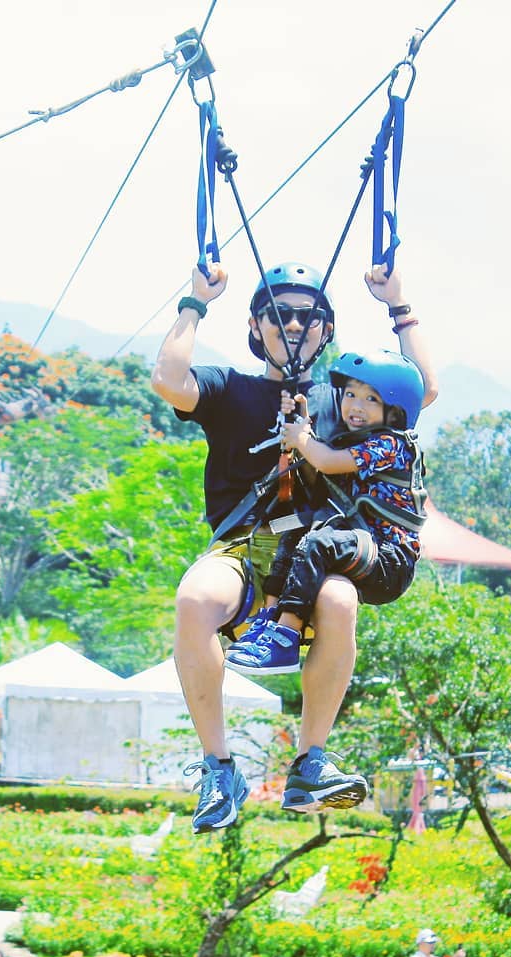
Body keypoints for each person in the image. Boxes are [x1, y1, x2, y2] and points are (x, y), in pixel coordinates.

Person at [151, 259, 437, 834]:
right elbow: (168, 381)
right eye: (277, 317)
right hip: (247, 546)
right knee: (194, 600)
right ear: (255, 329)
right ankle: (218, 768)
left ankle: (311, 762)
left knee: (339, 604)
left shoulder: (348, 400)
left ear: (326, 331)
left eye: (307, 318)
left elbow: (422, 390)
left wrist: (398, 305)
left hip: (321, 547)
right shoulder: (230, 389)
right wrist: (195, 302)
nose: (293, 327)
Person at [224, 349, 426, 685]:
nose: (355, 406)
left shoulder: (391, 446)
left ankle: (285, 641)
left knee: (317, 543)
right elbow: (322, 468)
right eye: (349, 395)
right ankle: (270, 619)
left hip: (390, 561)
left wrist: (301, 439)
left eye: (370, 399)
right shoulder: (354, 441)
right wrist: (302, 433)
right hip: (360, 541)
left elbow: (329, 462)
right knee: (296, 531)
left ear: (396, 410)